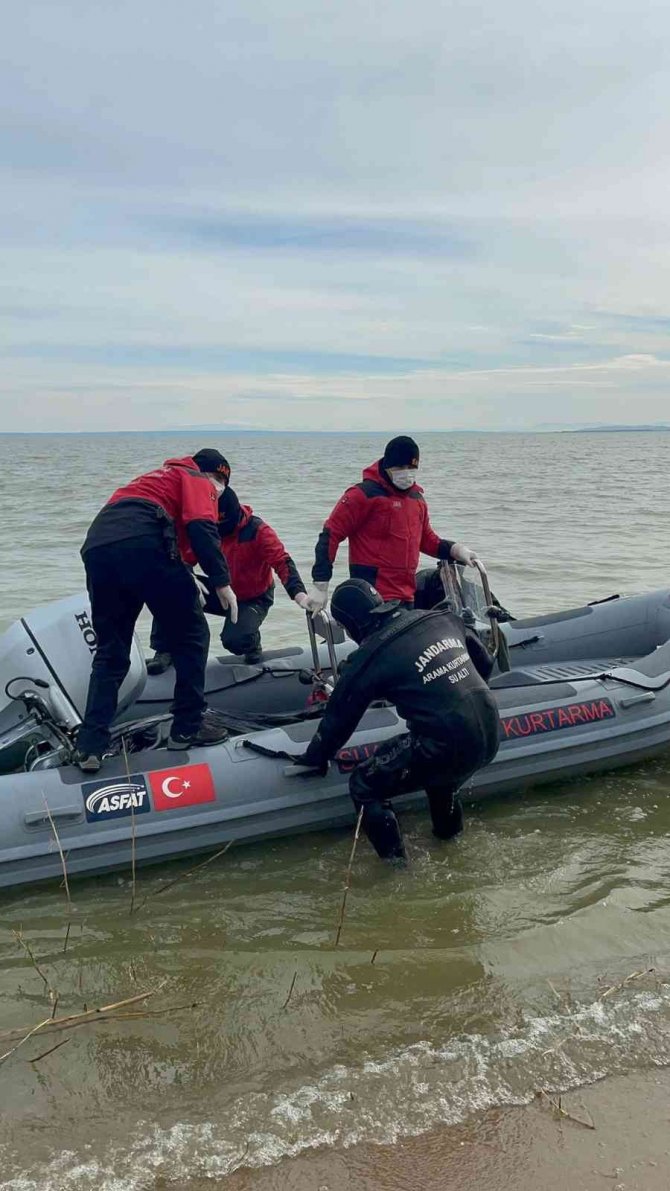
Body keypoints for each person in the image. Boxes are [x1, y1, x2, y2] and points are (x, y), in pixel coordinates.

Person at [293, 579, 500, 862]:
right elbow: (485, 662)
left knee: (364, 785)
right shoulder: (441, 618)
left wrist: (314, 758)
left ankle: (396, 870)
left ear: (351, 625)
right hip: (490, 726)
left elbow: (338, 722)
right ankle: (450, 844)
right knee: (442, 779)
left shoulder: (370, 657)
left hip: (445, 743)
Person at [73, 449, 238, 772]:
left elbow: (165, 532)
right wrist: (222, 581)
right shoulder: (194, 478)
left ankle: (90, 745)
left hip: (98, 547)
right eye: (219, 478)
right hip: (144, 542)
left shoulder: (150, 481)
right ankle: (188, 726)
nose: (219, 486)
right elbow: (201, 527)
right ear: (207, 473)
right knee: (192, 636)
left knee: (111, 653)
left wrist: (186, 572)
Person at [304, 435, 479, 614]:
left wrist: (456, 550)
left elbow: (426, 540)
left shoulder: (417, 499)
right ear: (387, 465)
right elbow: (330, 535)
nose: (406, 472)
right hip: (372, 599)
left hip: (406, 597)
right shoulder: (362, 495)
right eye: (400, 467)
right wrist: (321, 584)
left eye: (411, 467)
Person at [147, 485, 310, 670]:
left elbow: (282, 562)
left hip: (253, 597)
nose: (219, 530)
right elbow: (185, 558)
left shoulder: (258, 531)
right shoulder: (205, 530)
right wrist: (186, 575)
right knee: (169, 588)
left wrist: (299, 594)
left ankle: (251, 641)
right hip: (219, 590)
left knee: (234, 641)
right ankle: (164, 650)